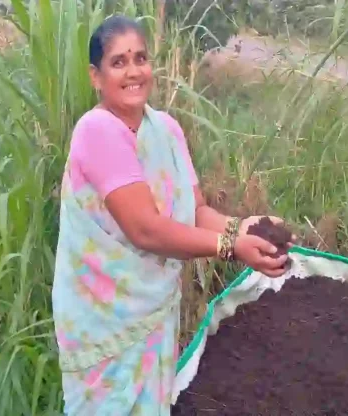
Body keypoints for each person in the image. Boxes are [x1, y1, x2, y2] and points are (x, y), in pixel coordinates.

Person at [51, 15, 294, 415]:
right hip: (105, 318)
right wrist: (232, 246)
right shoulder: (96, 131)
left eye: (141, 58)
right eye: (118, 62)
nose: (133, 71)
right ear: (96, 76)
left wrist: (245, 227)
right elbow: (146, 229)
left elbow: (194, 211)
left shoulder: (165, 129)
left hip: (153, 311)